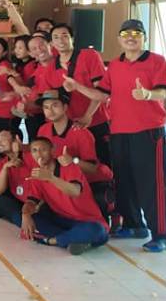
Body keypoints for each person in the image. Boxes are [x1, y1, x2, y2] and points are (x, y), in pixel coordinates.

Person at [63, 19, 166, 252]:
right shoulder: (114, 65)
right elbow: (102, 95)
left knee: (151, 184)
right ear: (119, 39)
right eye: (125, 34)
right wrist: (77, 87)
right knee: (124, 180)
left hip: (148, 132)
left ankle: (163, 235)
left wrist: (147, 94)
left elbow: (163, 92)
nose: (131, 37)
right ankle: (134, 225)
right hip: (118, 131)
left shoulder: (157, 61)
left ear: (144, 38)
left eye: (136, 33)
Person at [20, 137, 109, 256]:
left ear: (52, 151)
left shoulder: (68, 166)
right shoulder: (37, 174)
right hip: (62, 220)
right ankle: (74, 239)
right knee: (32, 219)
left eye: (43, 150)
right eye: (34, 150)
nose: (39, 154)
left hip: (87, 220)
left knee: (99, 231)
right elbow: (32, 201)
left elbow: (74, 191)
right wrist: (25, 214)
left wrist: (51, 178)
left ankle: (52, 241)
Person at [37, 23, 110, 164]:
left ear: (72, 39)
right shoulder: (50, 69)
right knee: (74, 164)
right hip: (71, 127)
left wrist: (87, 116)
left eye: (65, 36)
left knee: (102, 164)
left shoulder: (89, 56)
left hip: (96, 120)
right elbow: (48, 99)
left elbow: (102, 94)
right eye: (56, 37)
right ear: (52, 43)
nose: (61, 40)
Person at [35, 90, 114, 218]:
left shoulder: (81, 132)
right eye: (46, 107)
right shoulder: (43, 130)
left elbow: (92, 169)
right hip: (63, 181)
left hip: (89, 182)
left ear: (65, 107)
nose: (50, 111)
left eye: (55, 105)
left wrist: (73, 161)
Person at [0, 126, 31, 225]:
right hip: (18, 201)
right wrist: (5, 168)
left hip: (35, 202)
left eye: (3, 139)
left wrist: (23, 148)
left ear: (16, 139)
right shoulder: (2, 163)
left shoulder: (30, 156)